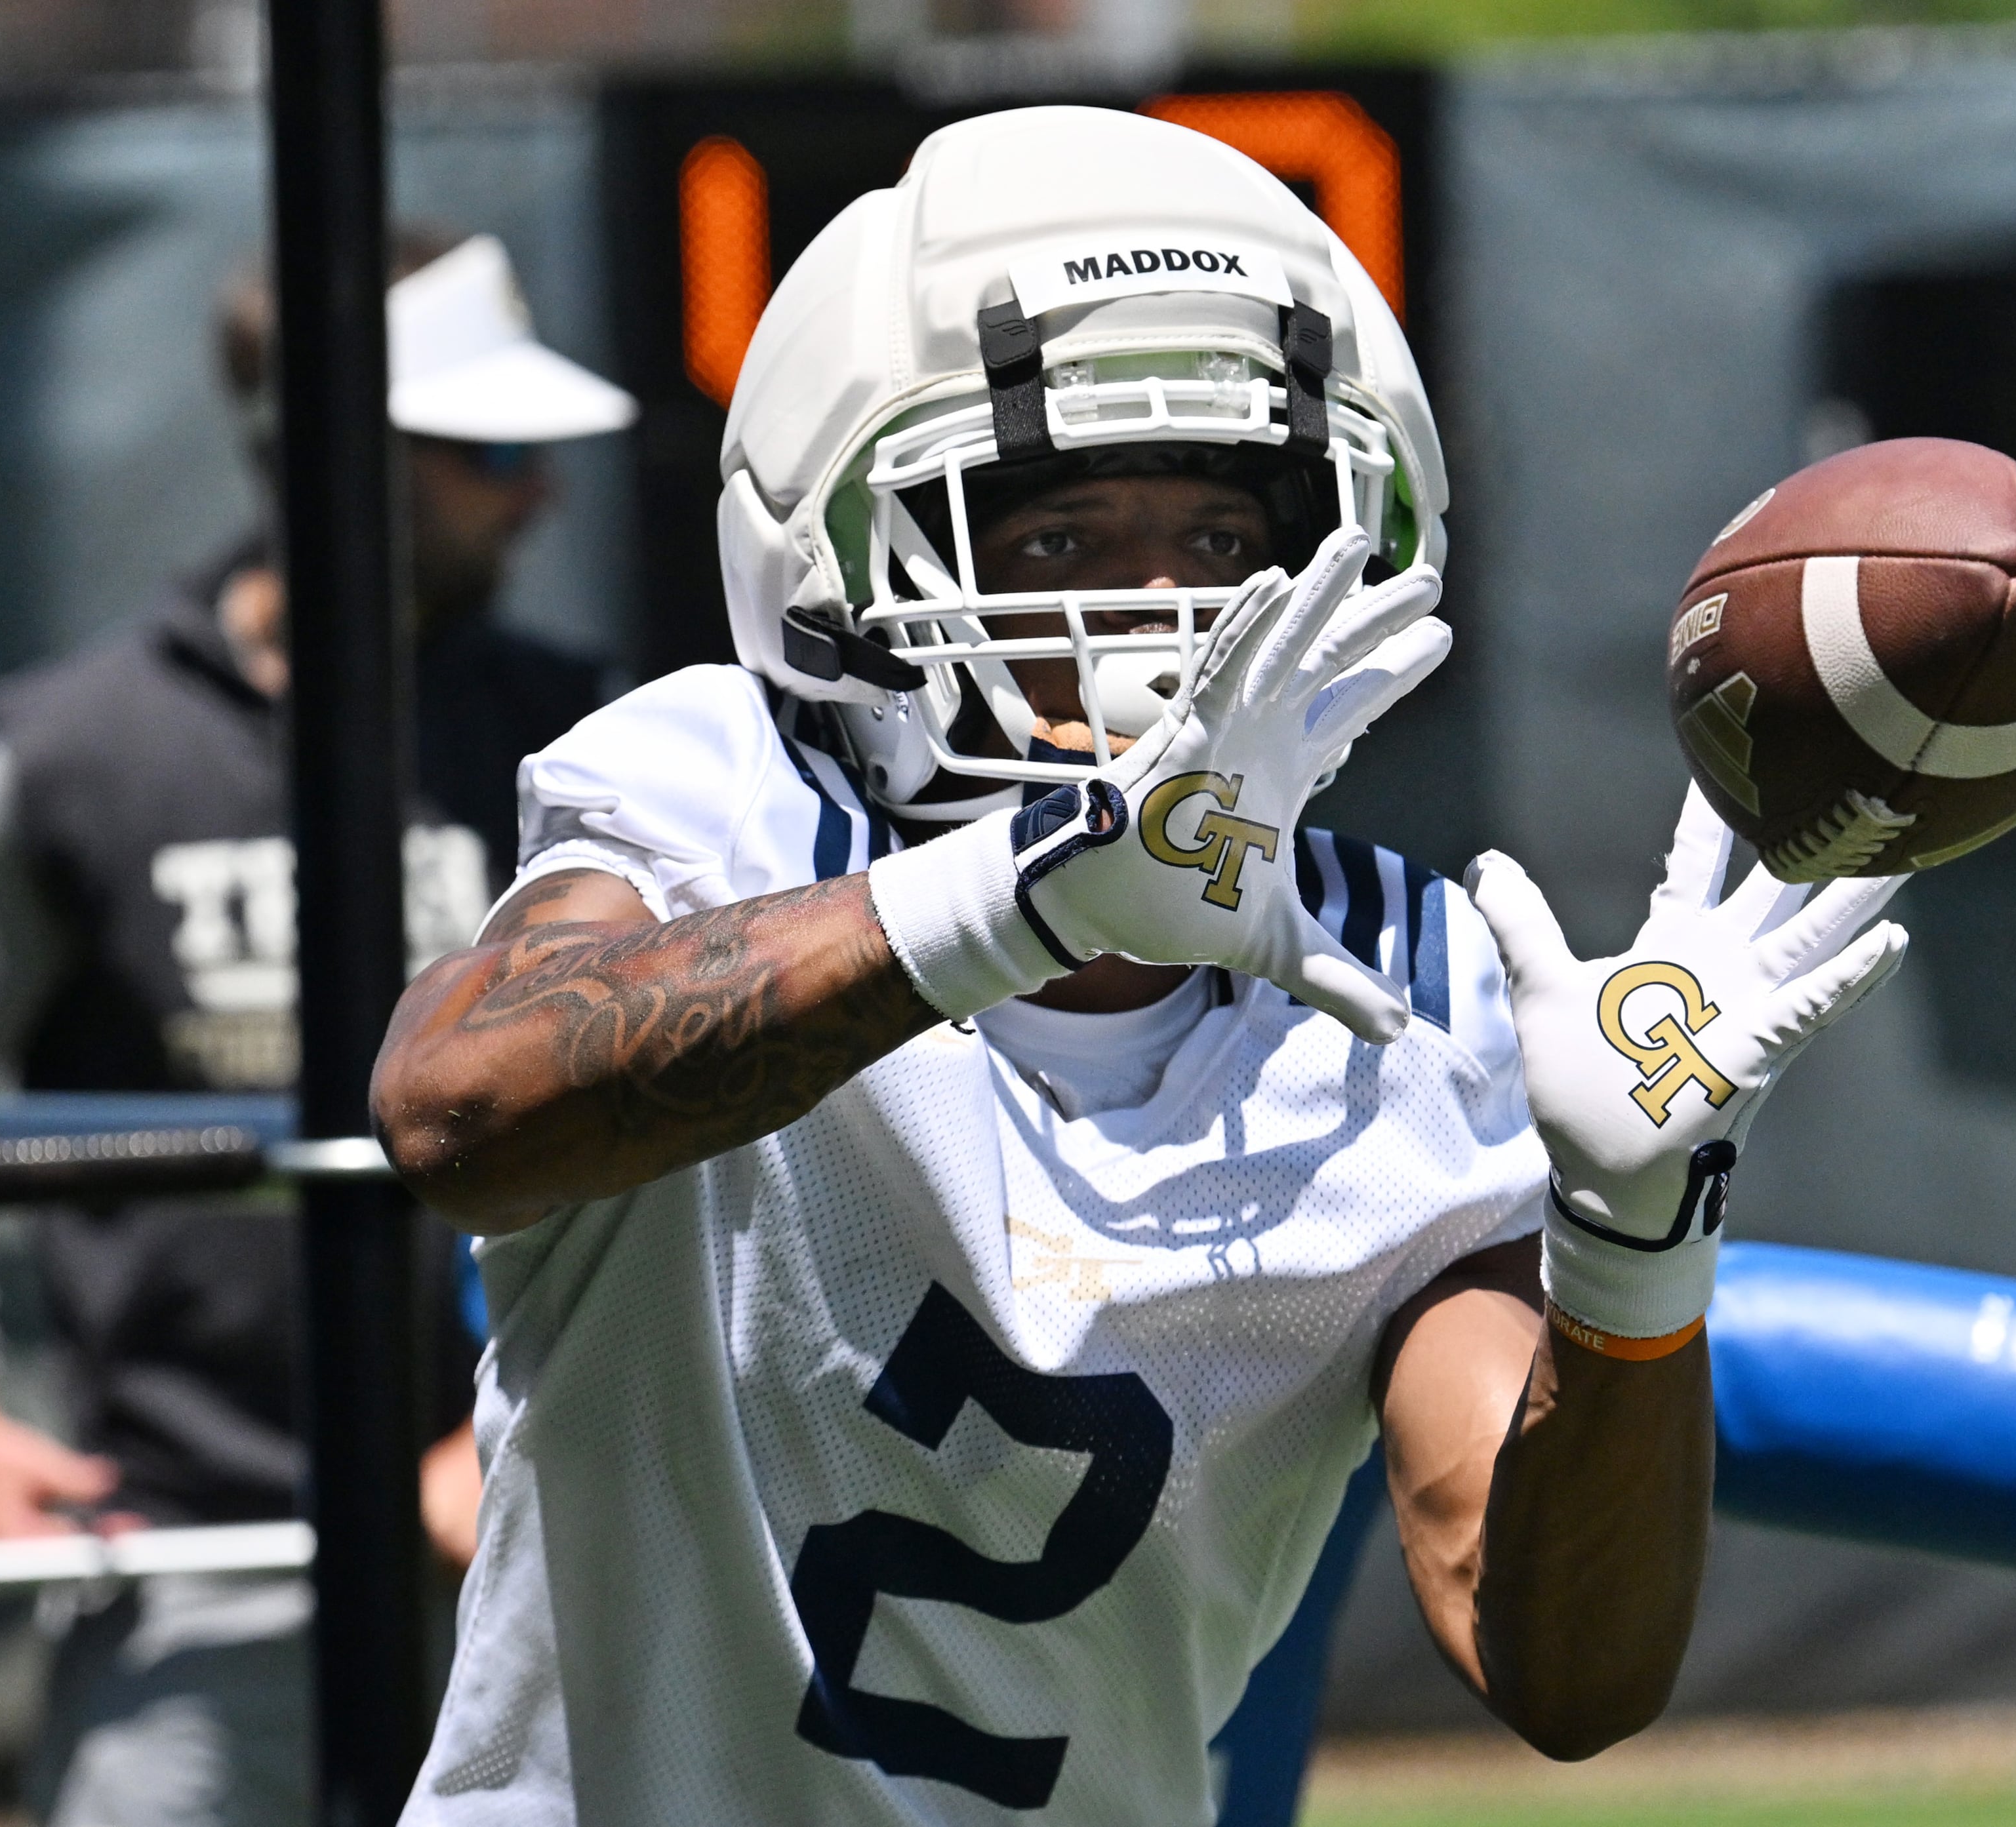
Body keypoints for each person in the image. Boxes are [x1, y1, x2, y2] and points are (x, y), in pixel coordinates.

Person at [373, 107, 1906, 1825]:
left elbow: (1561, 1670)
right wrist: (1031, 897)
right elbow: (456, 1110)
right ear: (849, 569)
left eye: (1223, 542)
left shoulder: (1407, 988)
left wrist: (1634, 1257)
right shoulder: (728, 792)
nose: (1164, 617)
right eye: (1058, 542)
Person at [0, 229, 634, 1827]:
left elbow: (669, 1128)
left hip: (533, 1561)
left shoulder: (585, 743)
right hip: (189, 1580)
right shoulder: (79, 752)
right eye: (489, 451)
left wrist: (529, 1422)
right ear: (327, 454)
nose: (536, 494)